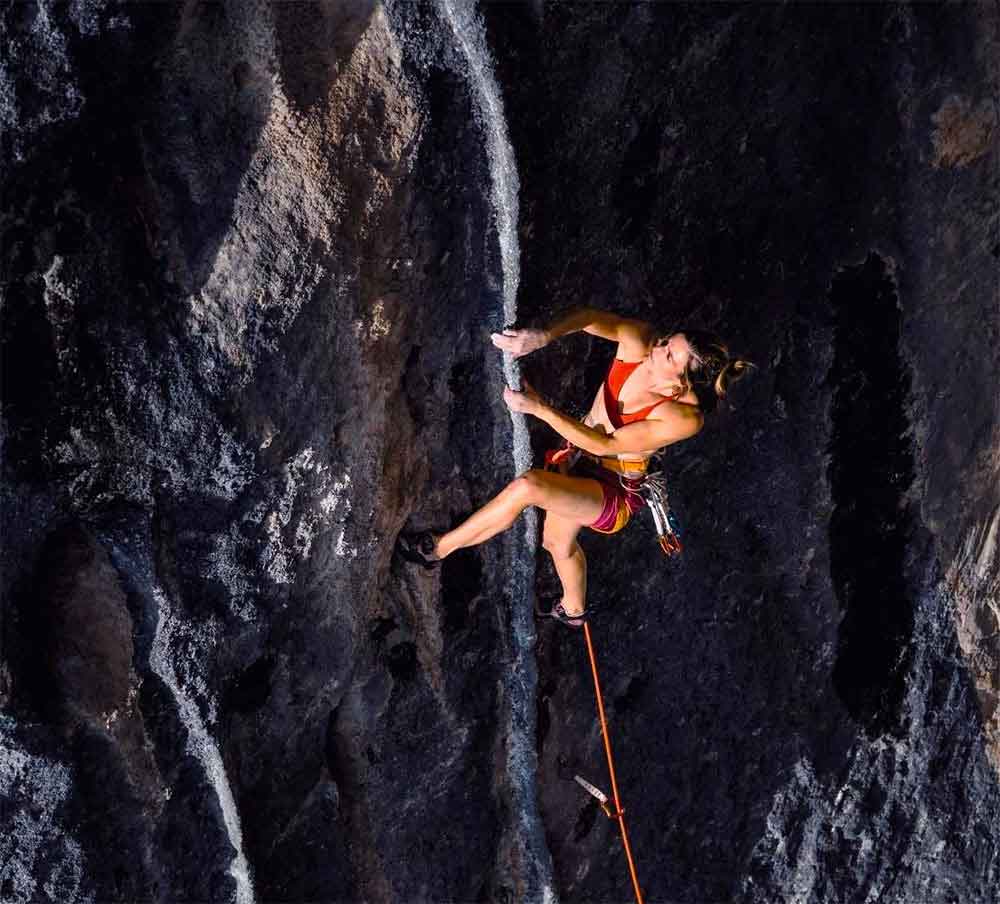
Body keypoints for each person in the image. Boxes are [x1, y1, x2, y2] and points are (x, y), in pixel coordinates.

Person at [397, 307, 751, 627]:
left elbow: (606, 444)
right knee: (555, 543)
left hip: (613, 491)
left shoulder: (682, 419)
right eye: (665, 341)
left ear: (679, 385)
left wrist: (540, 409)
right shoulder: (640, 341)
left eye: (668, 354)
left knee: (529, 487)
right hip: (581, 456)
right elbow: (589, 318)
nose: (657, 348)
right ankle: (573, 611)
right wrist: (545, 335)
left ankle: (437, 550)